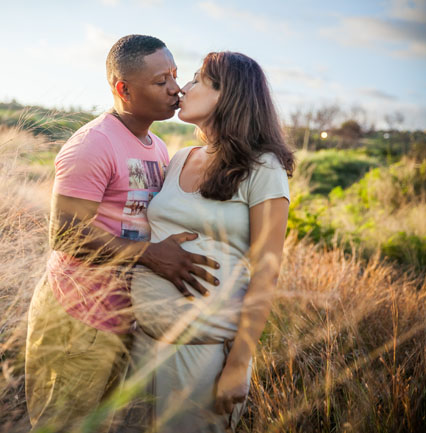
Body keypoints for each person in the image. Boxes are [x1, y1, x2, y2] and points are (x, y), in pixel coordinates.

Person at [24, 35, 221, 433]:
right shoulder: (92, 145)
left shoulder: (159, 148)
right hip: (76, 317)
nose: (175, 89)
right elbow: (65, 235)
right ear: (123, 89)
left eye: (175, 76)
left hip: (121, 320)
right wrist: (150, 255)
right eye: (160, 81)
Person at [124, 51, 295, 433]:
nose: (183, 87)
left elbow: (267, 275)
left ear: (227, 95)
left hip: (201, 357)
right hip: (143, 345)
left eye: (199, 79)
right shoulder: (180, 158)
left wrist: (236, 365)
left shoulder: (263, 168)